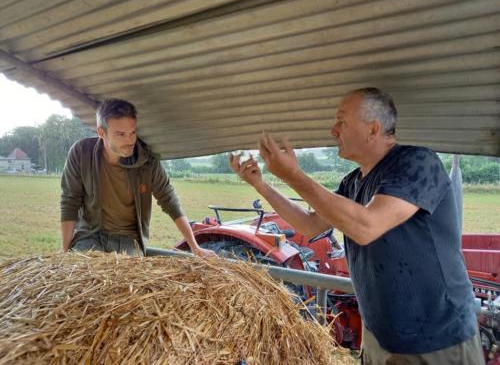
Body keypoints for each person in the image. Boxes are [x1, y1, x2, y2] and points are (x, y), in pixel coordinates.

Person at [230, 88, 483, 364]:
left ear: (373, 129)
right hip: (381, 337)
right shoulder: (352, 183)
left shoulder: (417, 163)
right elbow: (311, 225)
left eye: (342, 121)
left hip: (438, 341)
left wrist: (294, 175)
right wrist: (260, 184)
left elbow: (367, 226)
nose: (332, 130)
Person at [60, 98, 215, 258]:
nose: (130, 140)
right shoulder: (81, 153)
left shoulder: (147, 163)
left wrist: (195, 247)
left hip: (128, 240)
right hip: (90, 235)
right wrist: (65, 252)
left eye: (132, 132)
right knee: (85, 272)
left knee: (122, 281)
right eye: (120, 134)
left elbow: (170, 201)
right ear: (101, 133)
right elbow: (70, 201)